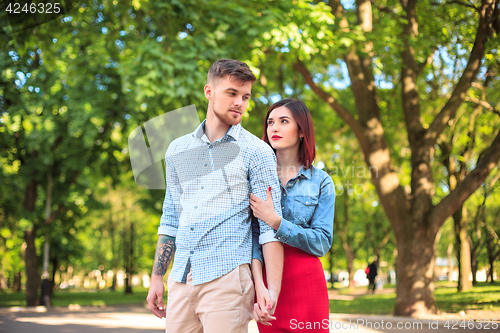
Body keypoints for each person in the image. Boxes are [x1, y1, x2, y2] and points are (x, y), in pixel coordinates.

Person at [146, 59, 284, 333]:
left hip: (228, 278)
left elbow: (269, 228)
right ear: (209, 92)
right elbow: (171, 217)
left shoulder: (257, 152)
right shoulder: (177, 149)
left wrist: (271, 290)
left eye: (245, 96)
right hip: (181, 278)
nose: (240, 103)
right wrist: (156, 276)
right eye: (231, 93)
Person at [250, 99, 335, 332]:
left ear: (301, 131)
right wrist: (260, 286)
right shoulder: (256, 178)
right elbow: (251, 238)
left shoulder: (321, 181)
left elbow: (322, 242)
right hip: (267, 281)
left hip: (307, 281)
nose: (274, 128)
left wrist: (277, 222)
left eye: (283, 121)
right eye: (270, 122)